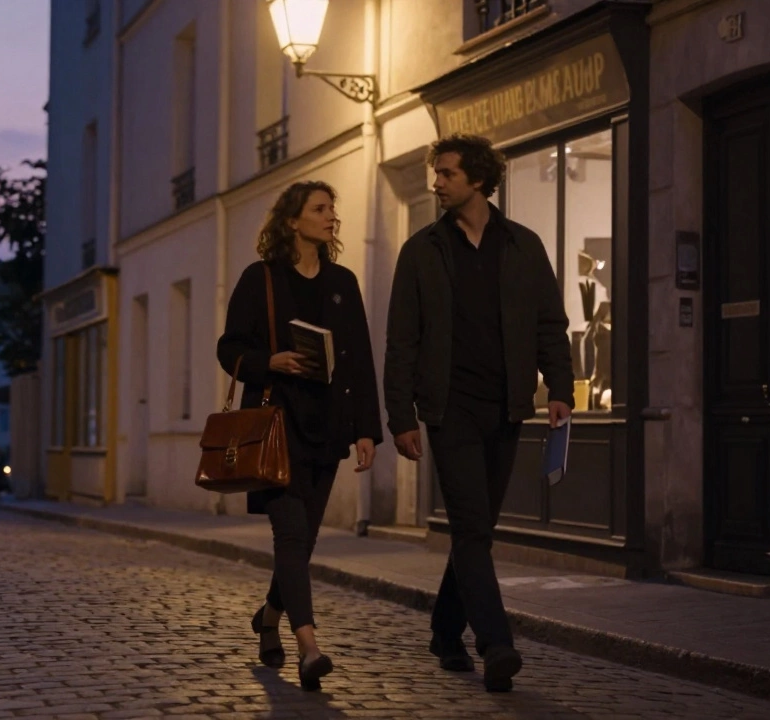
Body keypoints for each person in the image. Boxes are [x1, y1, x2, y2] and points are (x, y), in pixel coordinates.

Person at [383, 134, 574, 692]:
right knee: (471, 527)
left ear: (479, 180)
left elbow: (549, 324)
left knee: (476, 530)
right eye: (435, 173)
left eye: (446, 173)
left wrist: (558, 387)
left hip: (507, 407)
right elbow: (402, 341)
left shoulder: (523, 245)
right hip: (449, 411)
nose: (436, 182)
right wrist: (400, 416)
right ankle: (496, 643)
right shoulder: (421, 250)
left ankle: (445, 632)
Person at [217, 181, 382, 692]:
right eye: (320, 208)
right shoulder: (259, 279)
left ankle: (268, 616)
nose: (332, 216)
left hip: (327, 428)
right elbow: (229, 350)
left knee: (303, 544)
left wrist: (366, 430)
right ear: (292, 221)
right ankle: (309, 647)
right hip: (275, 427)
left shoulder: (342, 281)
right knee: (290, 536)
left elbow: (357, 358)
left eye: (333, 208)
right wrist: (272, 361)